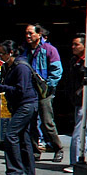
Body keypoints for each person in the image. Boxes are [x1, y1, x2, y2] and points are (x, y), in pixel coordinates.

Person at [0, 40, 39, 175]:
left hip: (27, 104)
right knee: (23, 136)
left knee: (11, 135)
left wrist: (1, 87)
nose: (1, 56)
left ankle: (14, 170)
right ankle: (27, 171)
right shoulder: (8, 67)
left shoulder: (21, 67)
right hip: (19, 105)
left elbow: (20, 90)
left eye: (3, 53)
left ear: (11, 53)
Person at [23, 24, 64, 161]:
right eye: (27, 33)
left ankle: (58, 148)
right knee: (31, 122)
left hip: (44, 92)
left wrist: (48, 86)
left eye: (31, 33)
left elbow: (57, 70)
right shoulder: (26, 50)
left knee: (47, 122)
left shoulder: (49, 50)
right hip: (30, 91)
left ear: (39, 34)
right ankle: (35, 151)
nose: (28, 36)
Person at [55, 35, 87, 173]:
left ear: (84, 46)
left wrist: (80, 92)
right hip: (77, 101)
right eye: (73, 44)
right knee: (81, 130)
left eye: (76, 44)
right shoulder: (73, 61)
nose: (73, 47)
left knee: (79, 131)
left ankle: (76, 161)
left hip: (85, 101)